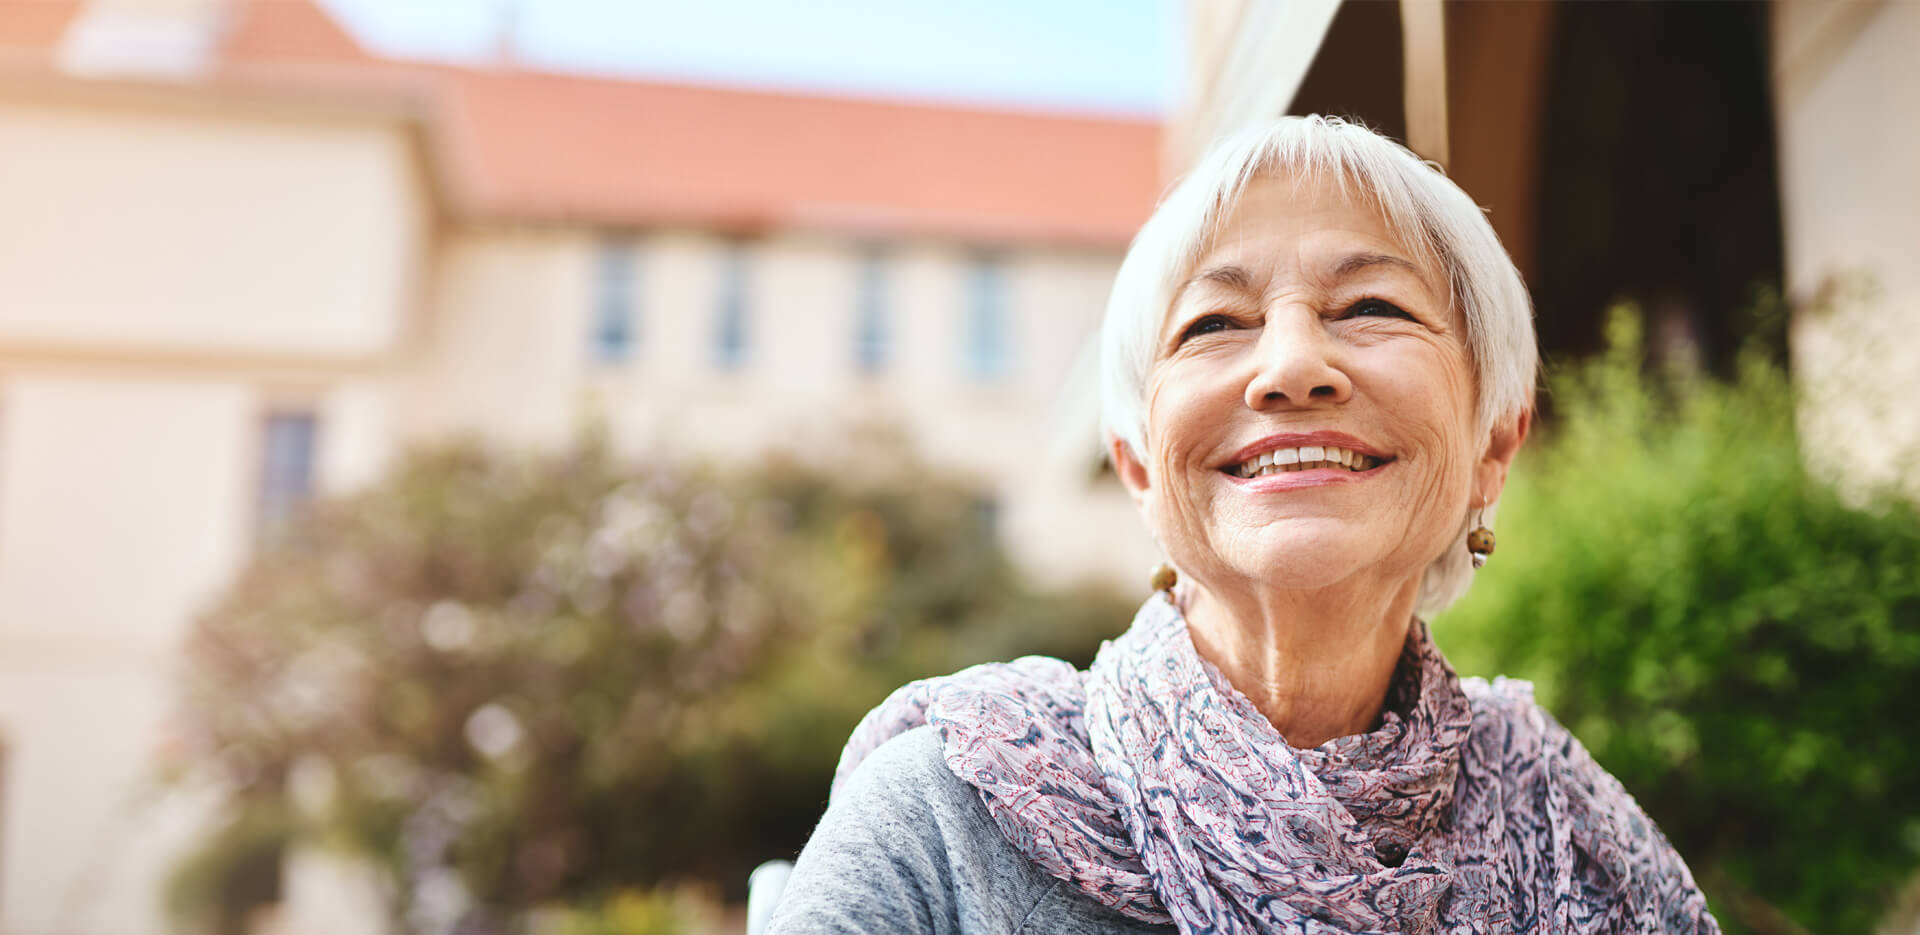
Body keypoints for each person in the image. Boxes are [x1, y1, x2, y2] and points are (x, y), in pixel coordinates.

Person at [766, 116, 1719, 934]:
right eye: (1216, 323)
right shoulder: (942, 817)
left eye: (1373, 305)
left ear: (1493, 448)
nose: (1292, 366)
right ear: (1139, 464)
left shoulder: (1580, 842)